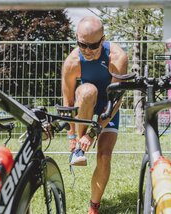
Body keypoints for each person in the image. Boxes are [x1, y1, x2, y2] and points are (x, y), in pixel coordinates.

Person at [61, 16, 128, 214]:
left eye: (94, 46)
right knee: (88, 90)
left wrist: (94, 132)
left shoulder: (117, 56)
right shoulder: (72, 61)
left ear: (103, 39)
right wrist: (72, 136)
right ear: (76, 38)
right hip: (85, 105)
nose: (88, 51)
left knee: (105, 156)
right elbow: (68, 102)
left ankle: (93, 208)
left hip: (109, 106)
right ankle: (79, 151)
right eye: (83, 45)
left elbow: (116, 100)